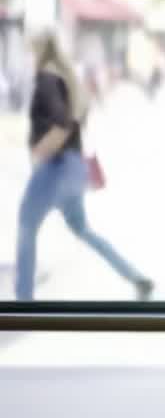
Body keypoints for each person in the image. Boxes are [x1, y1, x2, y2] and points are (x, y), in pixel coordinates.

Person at [13, 28, 154, 302]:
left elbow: (62, 123)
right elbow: (76, 119)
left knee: (26, 225)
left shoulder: (48, 78)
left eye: (30, 48)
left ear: (38, 48)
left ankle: (22, 301)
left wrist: (42, 148)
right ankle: (135, 276)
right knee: (82, 229)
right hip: (74, 166)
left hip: (56, 166)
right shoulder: (68, 77)